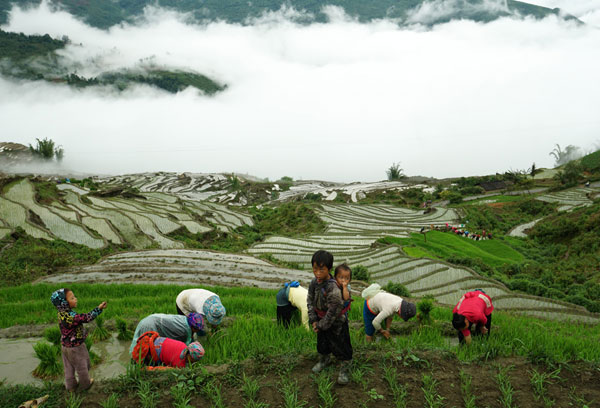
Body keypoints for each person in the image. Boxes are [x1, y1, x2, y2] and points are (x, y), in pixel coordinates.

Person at [307, 250, 353, 385]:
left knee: (342, 345)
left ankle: (345, 367)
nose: (317, 273)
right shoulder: (314, 282)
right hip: (320, 320)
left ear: (329, 269)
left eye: (322, 269)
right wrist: (314, 320)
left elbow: (333, 311)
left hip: (337, 322)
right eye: (315, 269)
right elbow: (309, 300)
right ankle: (324, 360)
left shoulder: (333, 288)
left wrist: (320, 325)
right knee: (322, 344)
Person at [51, 288, 107, 391]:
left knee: (68, 368)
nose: (76, 299)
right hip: (76, 347)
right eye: (72, 298)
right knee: (83, 366)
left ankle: (71, 387)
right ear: (64, 303)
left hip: (65, 346)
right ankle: (85, 385)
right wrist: (99, 309)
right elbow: (87, 318)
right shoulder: (72, 317)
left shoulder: (61, 313)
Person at [129, 313, 205, 354]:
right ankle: (138, 364)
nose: (197, 331)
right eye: (196, 329)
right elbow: (179, 346)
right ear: (192, 326)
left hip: (153, 319)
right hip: (150, 325)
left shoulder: (185, 322)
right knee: (145, 347)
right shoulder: (183, 330)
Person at [131, 331, 204, 369]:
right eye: (193, 360)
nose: (193, 362)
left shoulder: (183, 345)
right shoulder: (179, 363)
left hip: (157, 341)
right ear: (189, 355)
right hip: (152, 349)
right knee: (145, 368)